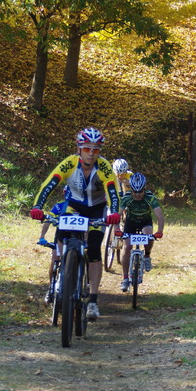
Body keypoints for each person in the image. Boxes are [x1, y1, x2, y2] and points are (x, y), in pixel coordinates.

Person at [30, 127, 121, 319]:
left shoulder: (104, 167)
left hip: (97, 209)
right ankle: (60, 277)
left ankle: (93, 301)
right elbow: (49, 184)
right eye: (87, 148)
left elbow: (112, 192)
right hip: (73, 207)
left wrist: (113, 213)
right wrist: (38, 206)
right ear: (79, 149)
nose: (91, 153)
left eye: (96, 150)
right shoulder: (69, 163)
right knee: (60, 238)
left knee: (95, 248)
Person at [118, 173, 164, 292]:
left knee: (149, 237)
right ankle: (125, 278)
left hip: (145, 221)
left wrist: (159, 231)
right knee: (127, 247)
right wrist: (116, 230)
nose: (137, 195)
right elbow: (117, 215)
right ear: (131, 190)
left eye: (140, 192)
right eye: (135, 192)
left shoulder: (150, 197)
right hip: (131, 222)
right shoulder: (126, 197)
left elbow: (159, 215)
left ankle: (147, 255)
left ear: (144, 189)